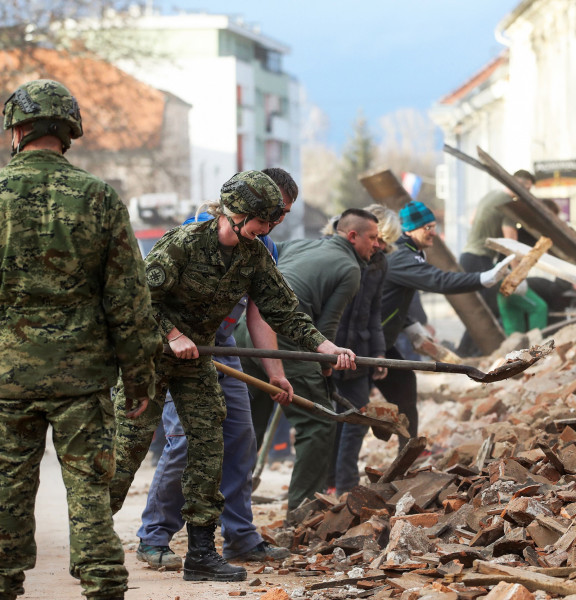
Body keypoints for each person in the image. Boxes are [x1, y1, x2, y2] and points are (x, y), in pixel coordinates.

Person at [109, 170, 356, 583]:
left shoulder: (254, 254)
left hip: (198, 361)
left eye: (271, 224)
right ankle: (93, 539)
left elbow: (281, 308)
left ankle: (202, 553)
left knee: (210, 447)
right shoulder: (184, 243)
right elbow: (134, 298)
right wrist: (172, 334)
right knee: (128, 451)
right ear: (236, 214)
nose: (265, 231)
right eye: (262, 222)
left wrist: (322, 346)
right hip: (149, 358)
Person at [0, 79, 161, 600]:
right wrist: (140, 378)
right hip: (84, 379)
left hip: (5, 378)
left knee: (4, 492)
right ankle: (102, 583)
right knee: (90, 491)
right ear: (68, 132)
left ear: (17, 129)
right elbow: (129, 300)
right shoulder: (99, 198)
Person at [134, 167, 298, 571]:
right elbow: (144, 299)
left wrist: (274, 372)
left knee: (240, 439)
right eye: (270, 213)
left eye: (283, 215)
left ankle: (241, 537)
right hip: (179, 348)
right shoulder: (195, 235)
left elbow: (259, 317)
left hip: (221, 347)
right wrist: (173, 337)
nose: (274, 222)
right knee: (186, 442)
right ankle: (154, 537)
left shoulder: (263, 248)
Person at [236, 208, 380, 513]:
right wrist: (325, 366)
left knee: (250, 425)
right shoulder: (350, 269)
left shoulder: (302, 243)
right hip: (285, 338)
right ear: (352, 236)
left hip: (245, 330)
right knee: (318, 423)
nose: (377, 245)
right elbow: (326, 328)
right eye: (373, 238)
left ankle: (230, 510)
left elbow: (270, 261)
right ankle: (303, 513)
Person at [376, 201, 514, 450]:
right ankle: (339, 481)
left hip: (380, 339)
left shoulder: (408, 251)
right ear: (409, 229)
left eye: (434, 226)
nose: (433, 232)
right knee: (351, 406)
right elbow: (438, 280)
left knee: (405, 387)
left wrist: (410, 326)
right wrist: (485, 278)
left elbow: (393, 297)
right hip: (365, 341)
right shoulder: (400, 255)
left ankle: (409, 452)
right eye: (427, 227)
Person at [325, 204, 402, 494]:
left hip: (358, 355)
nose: (380, 246)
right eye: (377, 239)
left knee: (357, 418)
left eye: (385, 242)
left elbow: (373, 311)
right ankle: (326, 483)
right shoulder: (333, 255)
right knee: (328, 421)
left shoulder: (379, 262)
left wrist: (379, 353)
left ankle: (346, 486)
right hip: (326, 350)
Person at [458, 169, 536, 355]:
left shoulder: (492, 195)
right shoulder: (508, 205)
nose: (527, 194)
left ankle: (466, 352)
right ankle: (471, 353)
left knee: (479, 310)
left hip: (468, 256)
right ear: (521, 185)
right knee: (487, 311)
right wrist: (519, 276)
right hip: (479, 258)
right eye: (527, 189)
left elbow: (472, 219)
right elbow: (511, 244)